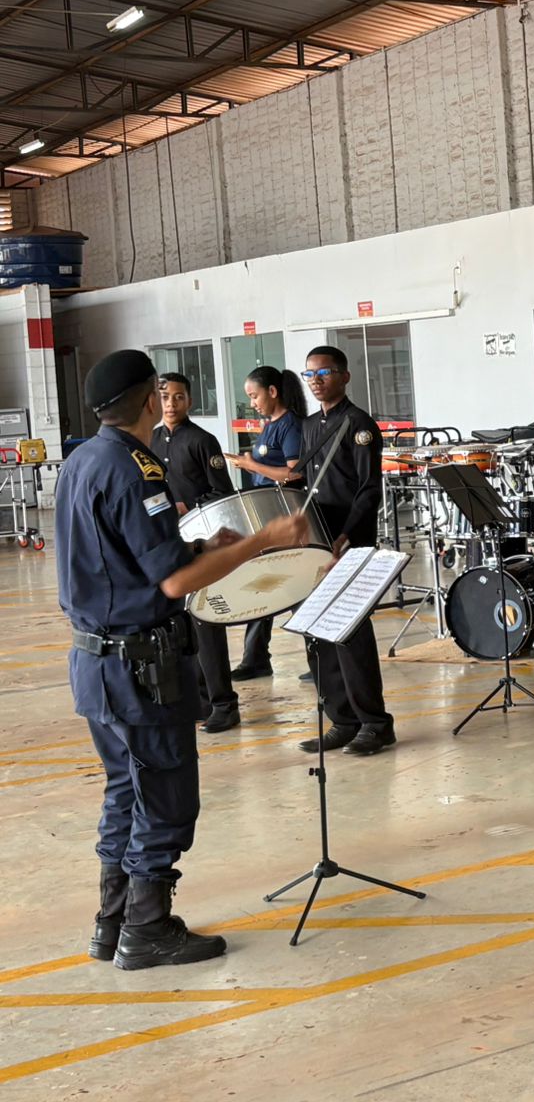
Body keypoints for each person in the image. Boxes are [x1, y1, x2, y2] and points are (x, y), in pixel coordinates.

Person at [59, 350, 308, 969]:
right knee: (165, 796)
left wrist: (203, 544)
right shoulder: (136, 466)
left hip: (95, 662)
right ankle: (148, 928)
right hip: (140, 667)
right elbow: (171, 583)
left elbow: (128, 554)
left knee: (125, 791)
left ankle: (111, 922)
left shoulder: (81, 460)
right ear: (149, 400)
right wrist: (261, 542)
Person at [293, 346, 395, 757]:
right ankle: (343, 719)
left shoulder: (359, 425)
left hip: (348, 541)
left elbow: (370, 490)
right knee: (318, 631)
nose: (316, 380)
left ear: (344, 376)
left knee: (350, 633)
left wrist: (349, 535)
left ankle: (374, 723)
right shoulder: (308, 426)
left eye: (325, 372)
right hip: (317, 540)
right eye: (310, 374)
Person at [147, 373, 242, 734]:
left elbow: (224, 492)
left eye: (178, 397)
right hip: (169, 541)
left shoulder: (203, 441)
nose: (171, 404)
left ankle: (223, 703)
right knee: (181, 625)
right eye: (165, 397)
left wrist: (193, 506)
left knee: (207, 623)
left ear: (189, 401)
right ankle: (198, 699)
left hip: (202, 540)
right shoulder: (151, 439)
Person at [222, 365, 307, 683]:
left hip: (284, 515)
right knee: (265, 583)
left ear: (273, 392)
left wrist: (249, 464)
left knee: (294, 584)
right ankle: (255, 657)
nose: (252, 402)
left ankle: (318, 651)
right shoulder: (270, 425)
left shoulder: (290, 426)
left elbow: (293, 473)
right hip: (264, 515)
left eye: (254, 395)